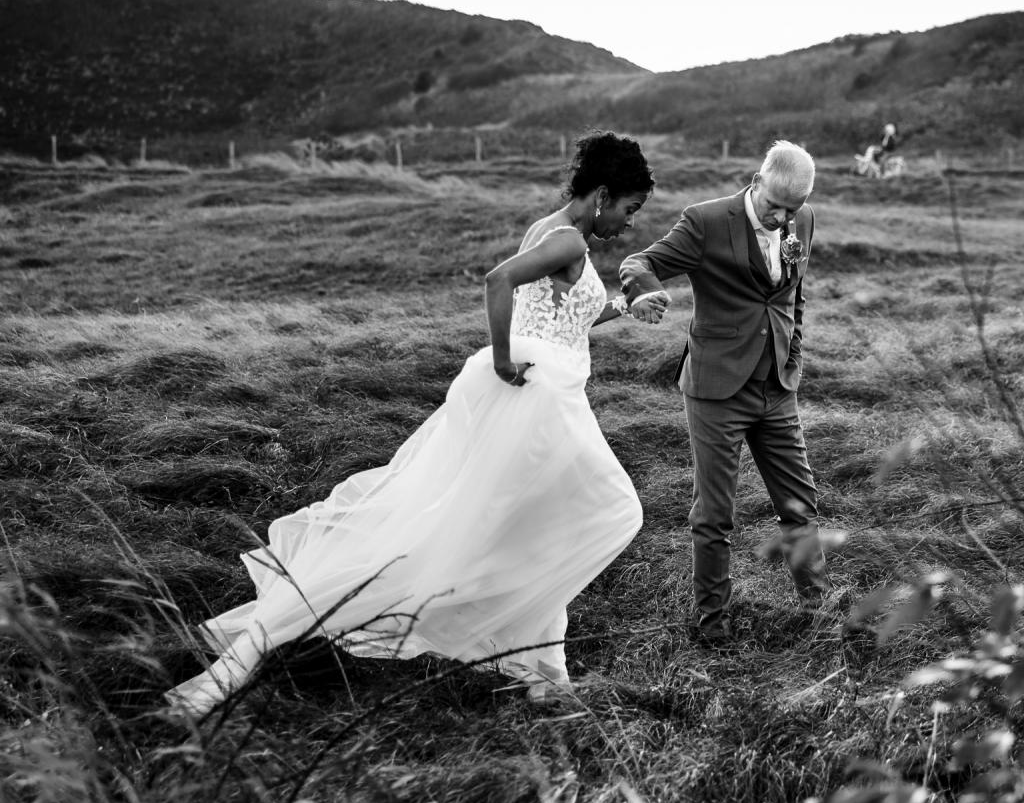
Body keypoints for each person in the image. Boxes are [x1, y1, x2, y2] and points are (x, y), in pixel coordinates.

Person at [166, 131, 667, 715]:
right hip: (539, 401)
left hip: (543, 398)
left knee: (533, 525)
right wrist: (503, 360)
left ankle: (543, 671)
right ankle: (271, 642)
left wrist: (627, 307)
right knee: (605, 510)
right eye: (630, 208)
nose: (629, 223)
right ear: (602, 195)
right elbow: (498, 281)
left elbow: (563, 320)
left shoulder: (552, 231)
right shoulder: (565, 239)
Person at [618, 140, 831, 645]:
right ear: (756, 183)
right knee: (715, 515)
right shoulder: (706, 221)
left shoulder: (803, 220)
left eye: (791, 210)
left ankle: (820, 610)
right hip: (717, 391)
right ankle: (713, 624)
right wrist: (644, 292)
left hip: (777, 387)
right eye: (774, 206)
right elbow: (638, 261)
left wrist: (793, 358)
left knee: (800, 506)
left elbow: (793, 298)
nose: (782, 219)